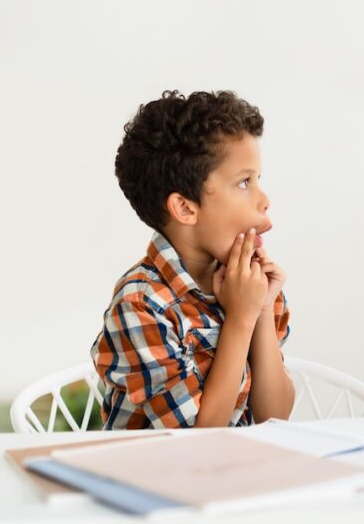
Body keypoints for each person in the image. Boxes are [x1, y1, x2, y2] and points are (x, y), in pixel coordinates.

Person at [91, 90, 294, 429]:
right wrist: (240, 318)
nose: (264, 199)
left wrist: (259, 310)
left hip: (235, 475)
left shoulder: (249, 285)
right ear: (185, 208)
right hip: (158, 476)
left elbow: (275, 417)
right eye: (244, 182)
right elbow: (197, 442)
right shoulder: (141, 304)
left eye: (258, 179)